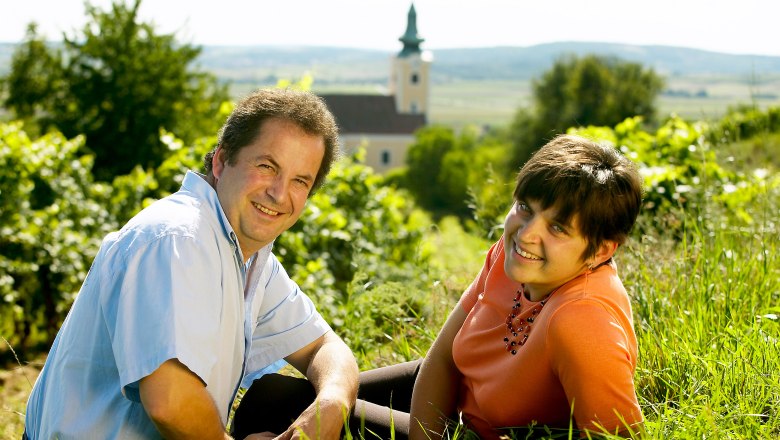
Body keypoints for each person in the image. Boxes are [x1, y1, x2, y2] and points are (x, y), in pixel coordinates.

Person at [23, 88, 359, 439]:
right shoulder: (177, 239)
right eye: (266, 166)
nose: (278, 192)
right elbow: (169, 400)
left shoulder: (248, 255)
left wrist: (331, 404)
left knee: (287, 397)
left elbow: (326, 347)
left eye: (299, 181)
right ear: (220, 160)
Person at [407, 134, 645, 439]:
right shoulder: (513, 258)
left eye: (558, 228)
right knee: (330, 392)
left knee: (333, 412)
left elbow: (620, 436)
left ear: (601, 251)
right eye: (525, 208)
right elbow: (442, 358)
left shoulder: (582, 318)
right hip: (458, 401)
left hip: (476, 432)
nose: (527, 234)